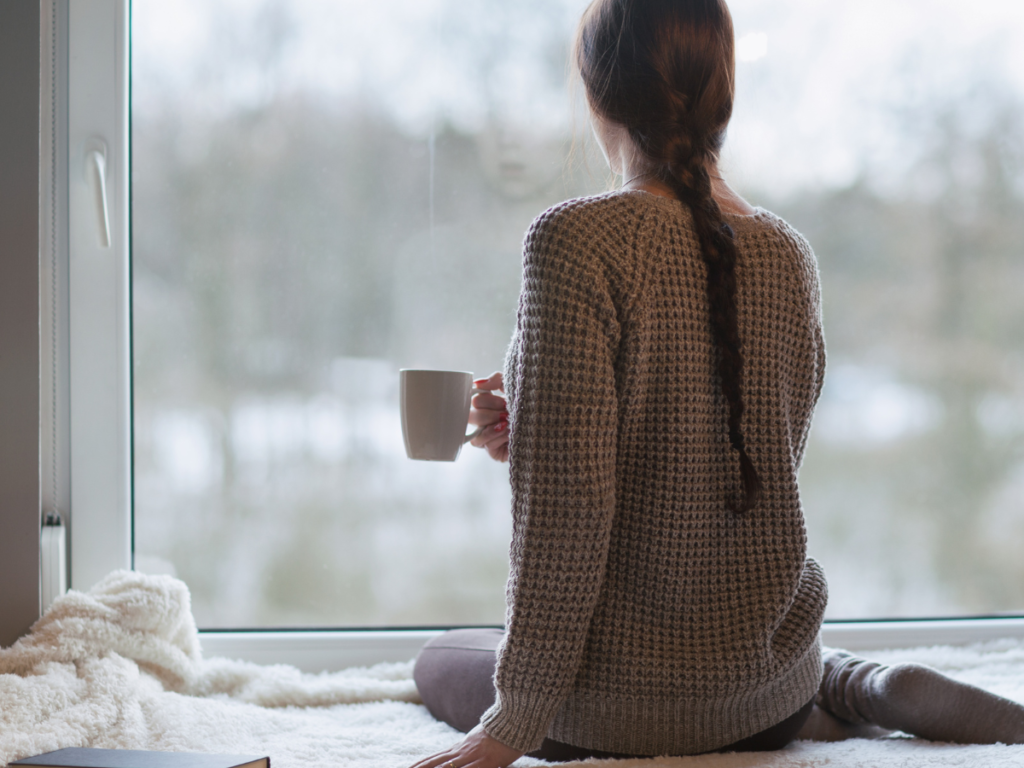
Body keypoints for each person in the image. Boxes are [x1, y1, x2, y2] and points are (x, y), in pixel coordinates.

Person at [408, 1, 1024, 765]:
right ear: (721, 93)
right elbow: (744, 466)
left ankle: (840, 686)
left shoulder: (574, 240)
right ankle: (855, 685)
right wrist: (542, 423)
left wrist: (513, 722)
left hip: (622, 710)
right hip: (766, 692)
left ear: (597, 93)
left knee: (439, 658)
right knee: (789, 675)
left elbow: (566, 520)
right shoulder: (789, 255)